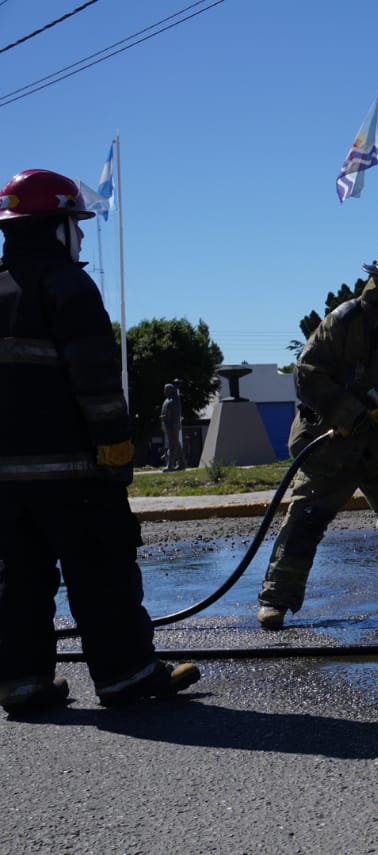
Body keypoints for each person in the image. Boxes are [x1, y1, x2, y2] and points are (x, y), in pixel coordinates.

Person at [0, 169, 200, 715]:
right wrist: (115, 445)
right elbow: (94, 375)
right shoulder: (66, 284)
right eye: (76, 225)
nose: (82, 237)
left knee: (18, 582)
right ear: (56, 226)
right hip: (74, 472)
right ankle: (127, 677)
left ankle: (22, 684)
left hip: (6, 485)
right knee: (102, 573)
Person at [257, 246, 378, 630]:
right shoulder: (344, 322)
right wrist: (348, 412)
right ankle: (277, 598)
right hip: (333, 440)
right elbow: (308, 374)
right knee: (308, 517)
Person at [161, 382, 185, 471]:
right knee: (176, 444)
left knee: (172, 445)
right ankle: (182, 464)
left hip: (172, 426)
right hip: (167, 426)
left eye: (166, 390)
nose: (164, 391)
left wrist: (175, 425)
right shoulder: (167, 400)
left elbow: (176, 414)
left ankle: (170, 466)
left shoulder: (174, 400)